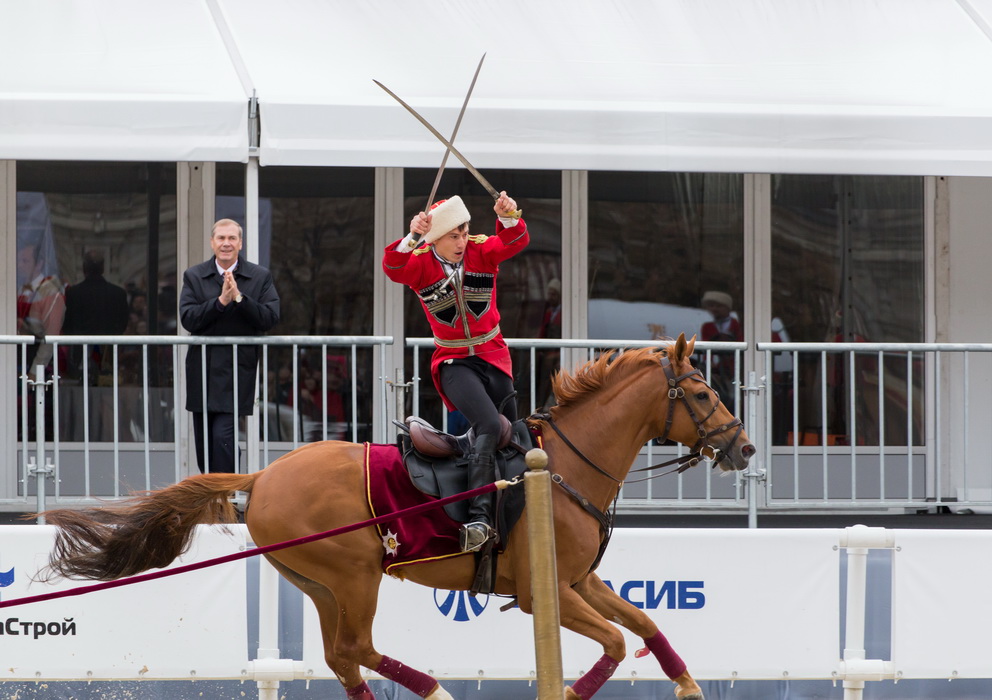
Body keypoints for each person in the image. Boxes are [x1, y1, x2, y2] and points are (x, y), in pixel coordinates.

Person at [383, 192, 529, 552]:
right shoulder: (418, 263)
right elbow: (393, 266)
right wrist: (412, 235)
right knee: (490, 426)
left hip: (494, 356)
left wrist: (507, 214)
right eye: (454, 236)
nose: (462, 242)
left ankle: (513, 517)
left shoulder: (481, 251)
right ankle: (478, 518)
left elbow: (515, 240)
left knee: (515, 438)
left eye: (465, 232)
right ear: (435, 238)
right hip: (453, 362)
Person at [180, 219, 280, 473]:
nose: (226, 243)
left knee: (223, 437)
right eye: (221, 238)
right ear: (212, 242)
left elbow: (269, 318)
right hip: (203, 369)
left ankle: (225, 496)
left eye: (232, 238)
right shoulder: (194, 275)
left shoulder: (259, 276)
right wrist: (220, 302)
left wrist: (239, 298)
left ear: (240, 243)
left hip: (237, 370)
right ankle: (214, 499)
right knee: (205, 443)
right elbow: (188, 318)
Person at [62, 250, 130, 382]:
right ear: (103, 268)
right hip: (108, 352)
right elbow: (122, 324)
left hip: (80, 352)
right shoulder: (118, 293)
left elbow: (67, 324)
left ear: (84, 268)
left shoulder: (73, 293)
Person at [16, 242, 65, 373]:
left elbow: (50, 337)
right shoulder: (19, 289)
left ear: (39, 264)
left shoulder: (51, 293)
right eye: (18, 260)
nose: (19, 265)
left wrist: (35, 373)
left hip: (37, 362)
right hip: (17, 359)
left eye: (24, 261)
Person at [699, 290, 743, 400]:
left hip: (733, 368)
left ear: (727, 308)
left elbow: (741, 343)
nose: (714, 309)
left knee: (733, 396)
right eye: (712, 306)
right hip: (715, 369)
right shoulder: (707, 326)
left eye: (719, 306)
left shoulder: (736, 325)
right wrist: (709, 361)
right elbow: (706, 345)